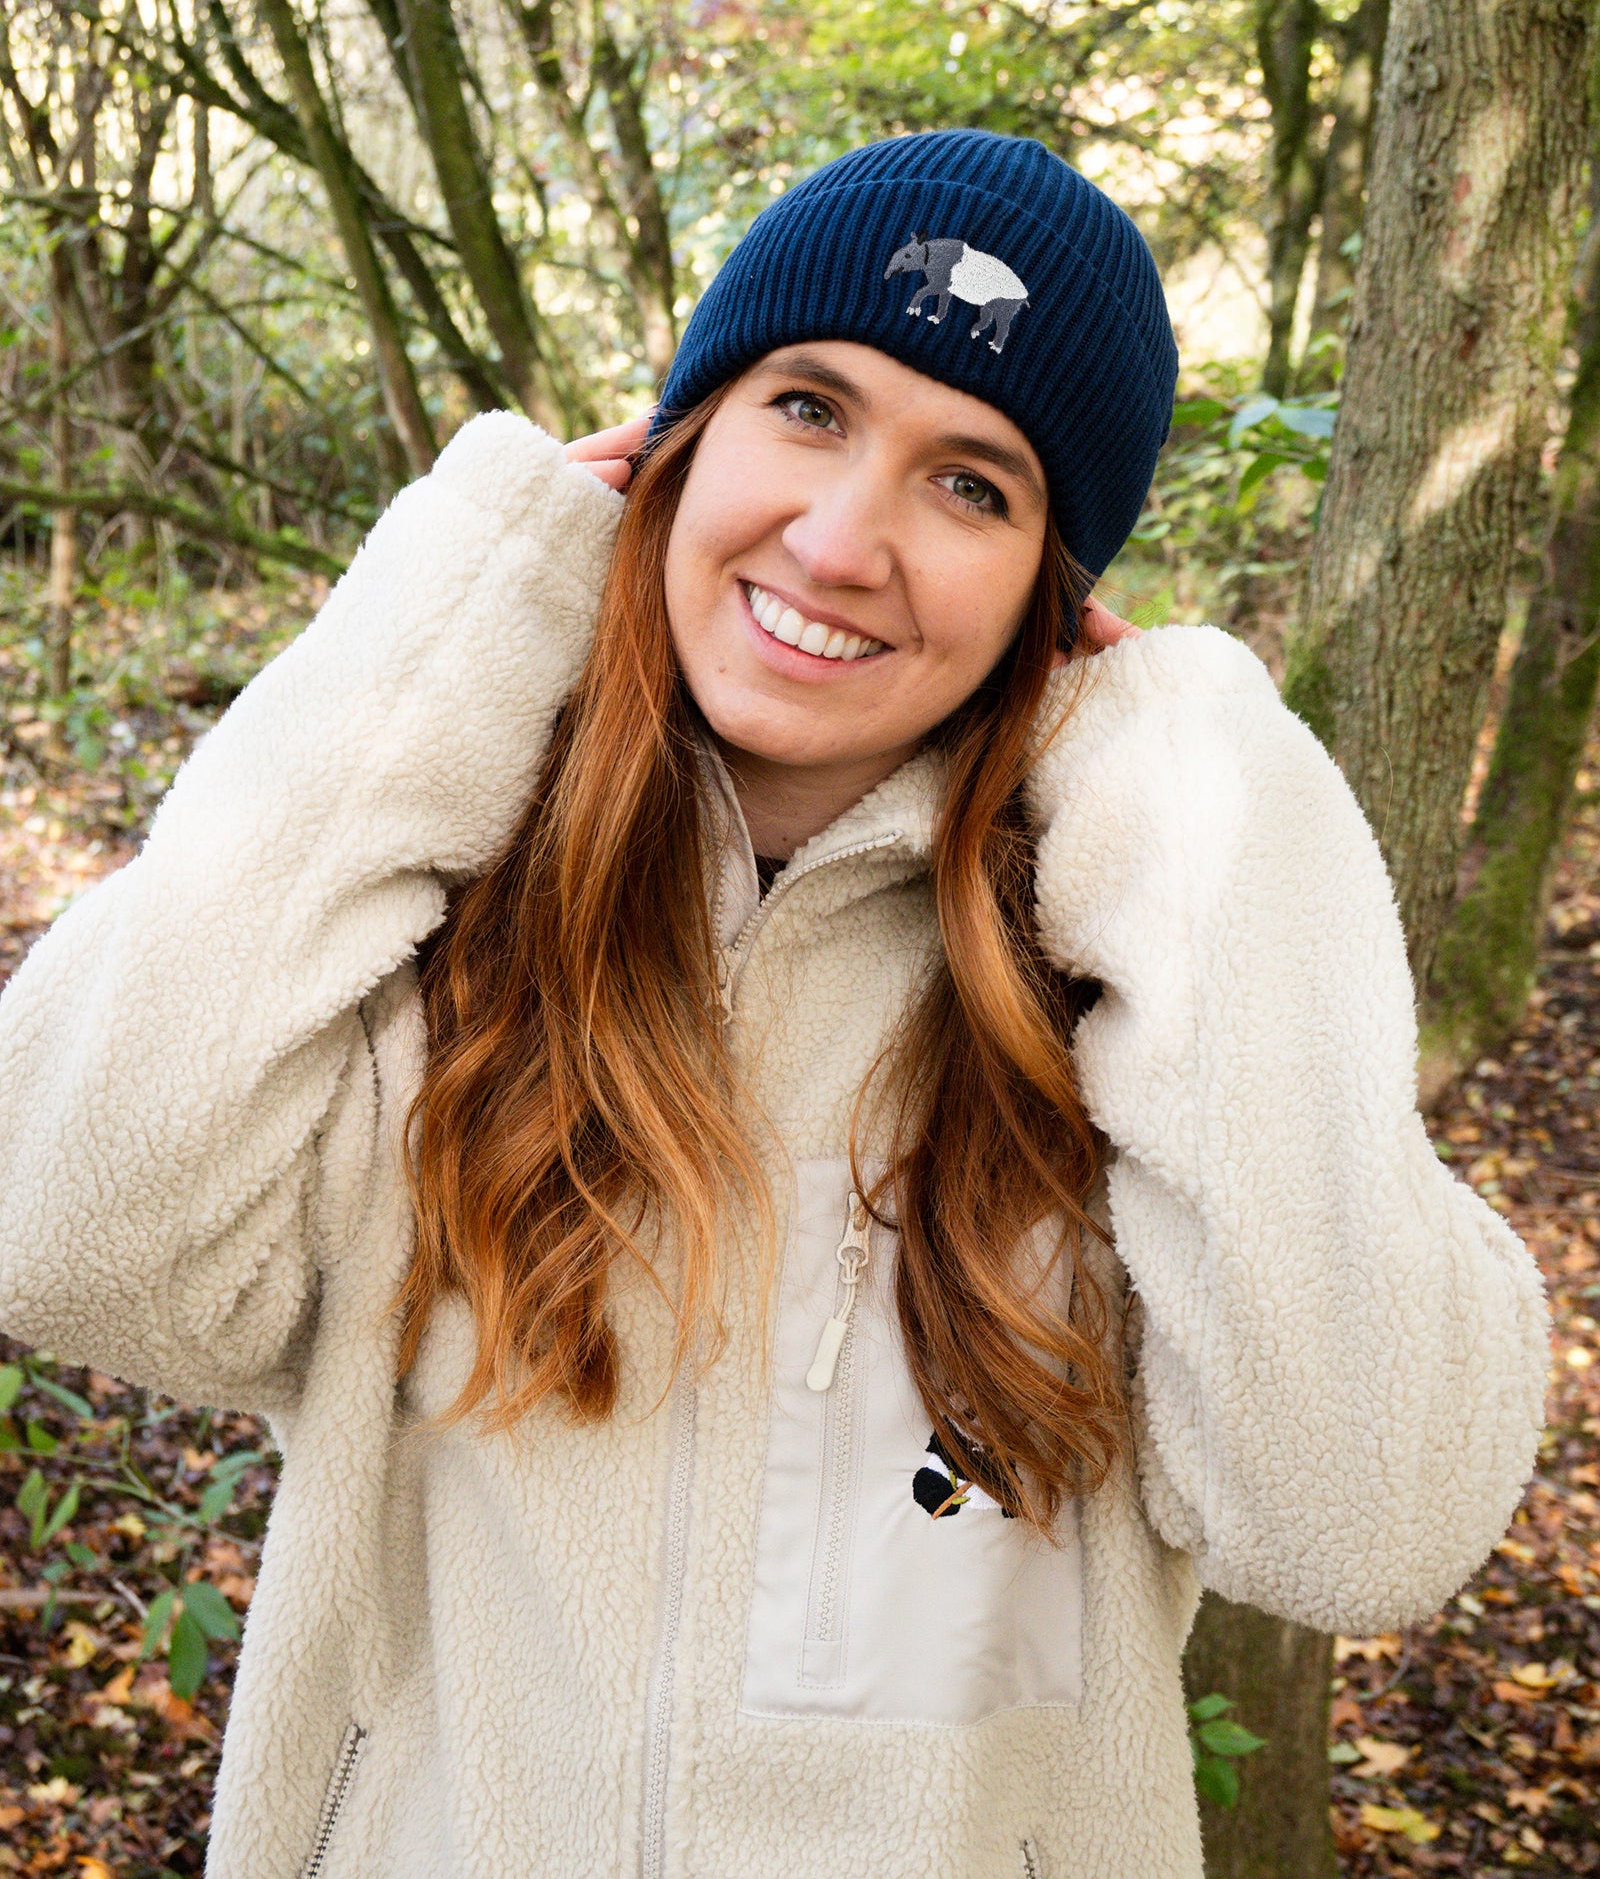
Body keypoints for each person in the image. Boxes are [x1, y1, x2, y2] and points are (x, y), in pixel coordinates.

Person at [0, 131, 1547, 1879]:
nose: (839, 537)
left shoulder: (1123, 1029)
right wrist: (462, 608)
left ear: (1059, 599)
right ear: (674, 446)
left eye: (974, 484)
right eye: (805, 407)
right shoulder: (420, 942)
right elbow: (66, 1234)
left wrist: (1199, 812)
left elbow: (1360, 1523)